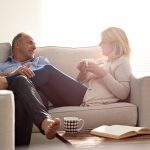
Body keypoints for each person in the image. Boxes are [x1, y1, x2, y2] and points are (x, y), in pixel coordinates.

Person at [0, 26, 132, 145]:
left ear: (114, 43)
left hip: (85, 97)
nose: (100, 44)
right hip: (79, 95)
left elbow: (123, 93)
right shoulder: (105, 62)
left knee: (45, 70)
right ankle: (44, 122)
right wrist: (83, 73)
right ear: (17, 45)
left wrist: (102, 73)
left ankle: (7, 82)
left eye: (103, 41)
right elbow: (81, 84)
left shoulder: (122, 62)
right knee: (21, 81)